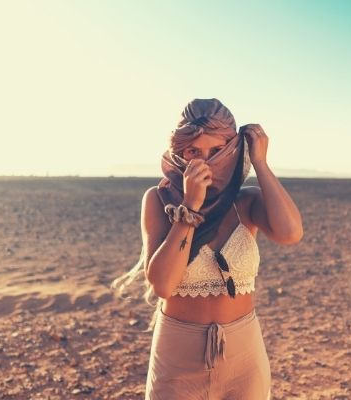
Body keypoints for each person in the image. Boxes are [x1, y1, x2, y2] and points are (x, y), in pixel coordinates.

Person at [111, 98, 303, 399]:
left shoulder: (246, 201)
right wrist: (189, 207)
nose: (208, 162)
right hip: (178, 356)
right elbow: (162, 284)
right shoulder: (159, 201)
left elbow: (291, 233)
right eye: (194, 152)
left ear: (233, 151)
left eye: (217, 151)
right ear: (180, 153)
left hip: (244, 353)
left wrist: (261, 163)